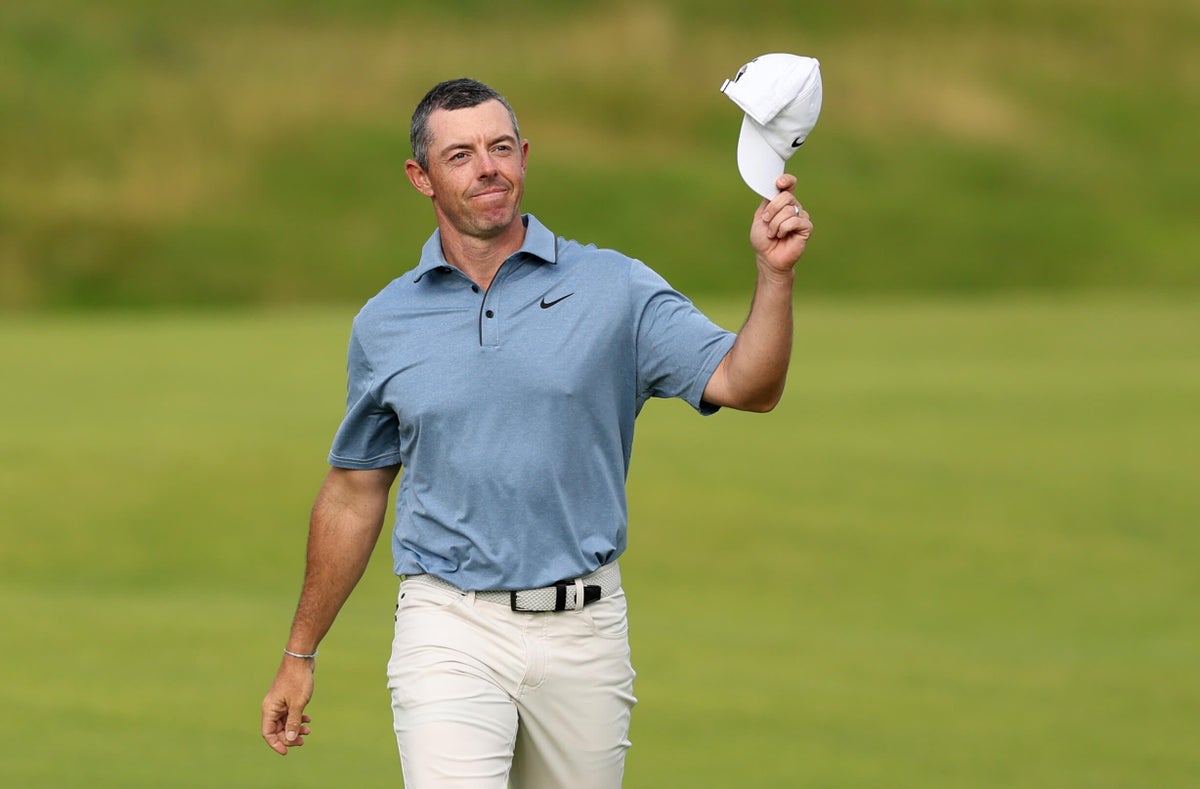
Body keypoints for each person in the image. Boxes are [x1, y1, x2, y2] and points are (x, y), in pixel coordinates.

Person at [261, 77, 813, 788]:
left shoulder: (615, 288)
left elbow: (748, 385)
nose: (487, 167)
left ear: (524, 157)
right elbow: (353, 492)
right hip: (448, 622)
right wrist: (299, 652)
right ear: (421, 178)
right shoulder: (385, 323)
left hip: (585, 627)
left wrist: (773, 276)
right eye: (460, 155)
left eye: (500, 148)